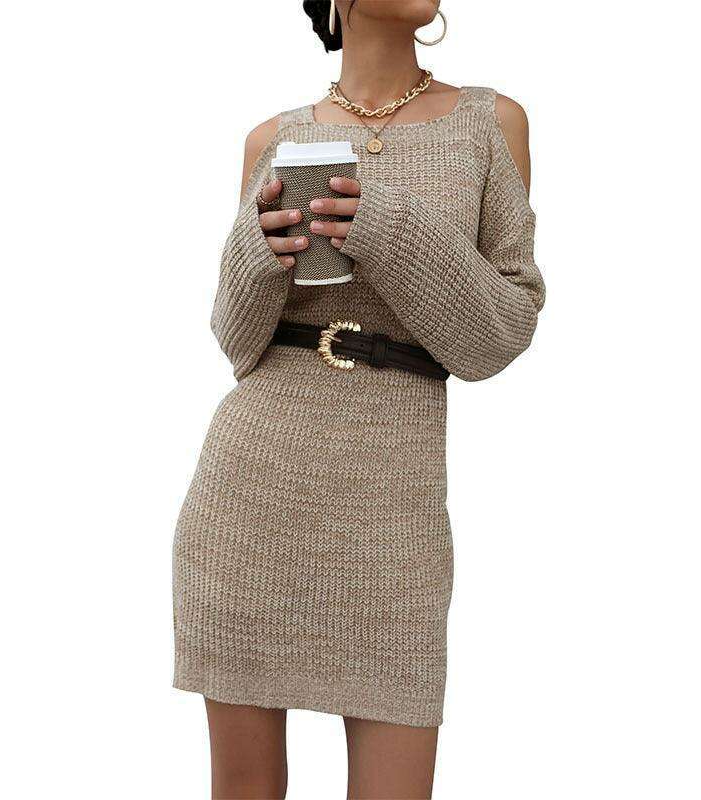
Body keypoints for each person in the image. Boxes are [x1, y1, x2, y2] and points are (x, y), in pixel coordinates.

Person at [172, 1, 545, 796]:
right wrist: (257, 254)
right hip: (250, 498)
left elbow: (498, 337)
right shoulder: (272, 139)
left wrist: (387, 227)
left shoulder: (489, 124)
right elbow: (237, 344)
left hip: (395, 518)